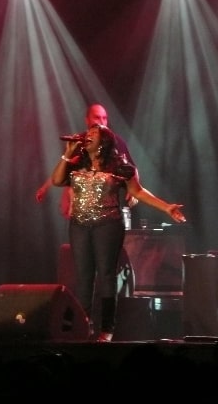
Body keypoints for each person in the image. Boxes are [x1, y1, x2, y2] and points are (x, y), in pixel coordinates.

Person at [51, 123, 186, 342]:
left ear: (104, 143)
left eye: (93, 134)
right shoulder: (76, 164)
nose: (88, 136)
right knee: (84, 277)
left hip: (107, 224)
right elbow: (57, 180)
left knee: (106, 275)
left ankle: (107, 329)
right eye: (88, 134)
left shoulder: (118, 166)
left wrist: (166, 207)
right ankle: (84, 326)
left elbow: (138, 191)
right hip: (79, 225)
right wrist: (67, 155)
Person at [36, 103, 138, 218]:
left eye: (104, 118)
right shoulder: (79, 141)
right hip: (80, 201)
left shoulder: (115, 141)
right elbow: (63, 168)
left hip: (105, 203)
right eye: (97, 117)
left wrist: (133, 189)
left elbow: (131, 168)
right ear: (87, 120)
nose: (101, 121)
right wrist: (45, 188)